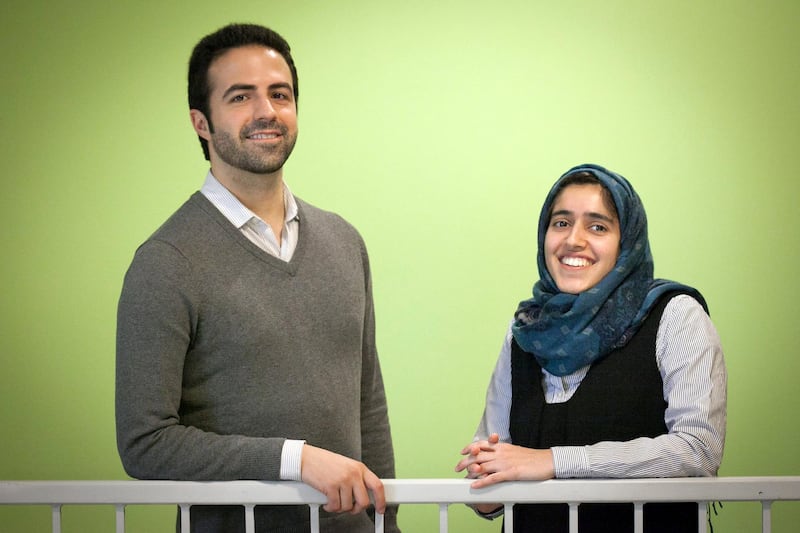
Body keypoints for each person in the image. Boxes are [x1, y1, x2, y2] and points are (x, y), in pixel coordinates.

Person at [115, 23, 400, 533]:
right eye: (241, 96)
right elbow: (145, 443)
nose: (266, 111)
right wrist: (296, 459)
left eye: (280, 94)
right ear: (202, 123)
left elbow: (368, 406)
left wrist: (387, 525)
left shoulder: (344, 242)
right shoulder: (166, 261)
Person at [455, 164, 727, 533]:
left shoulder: (675, 315)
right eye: (561, 223)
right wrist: (485, 479)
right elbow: (498, 469)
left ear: (626, 241)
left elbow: (698, 450)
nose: (574, 240)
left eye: (597, 226)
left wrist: (555, 461)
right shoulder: (525, 330)